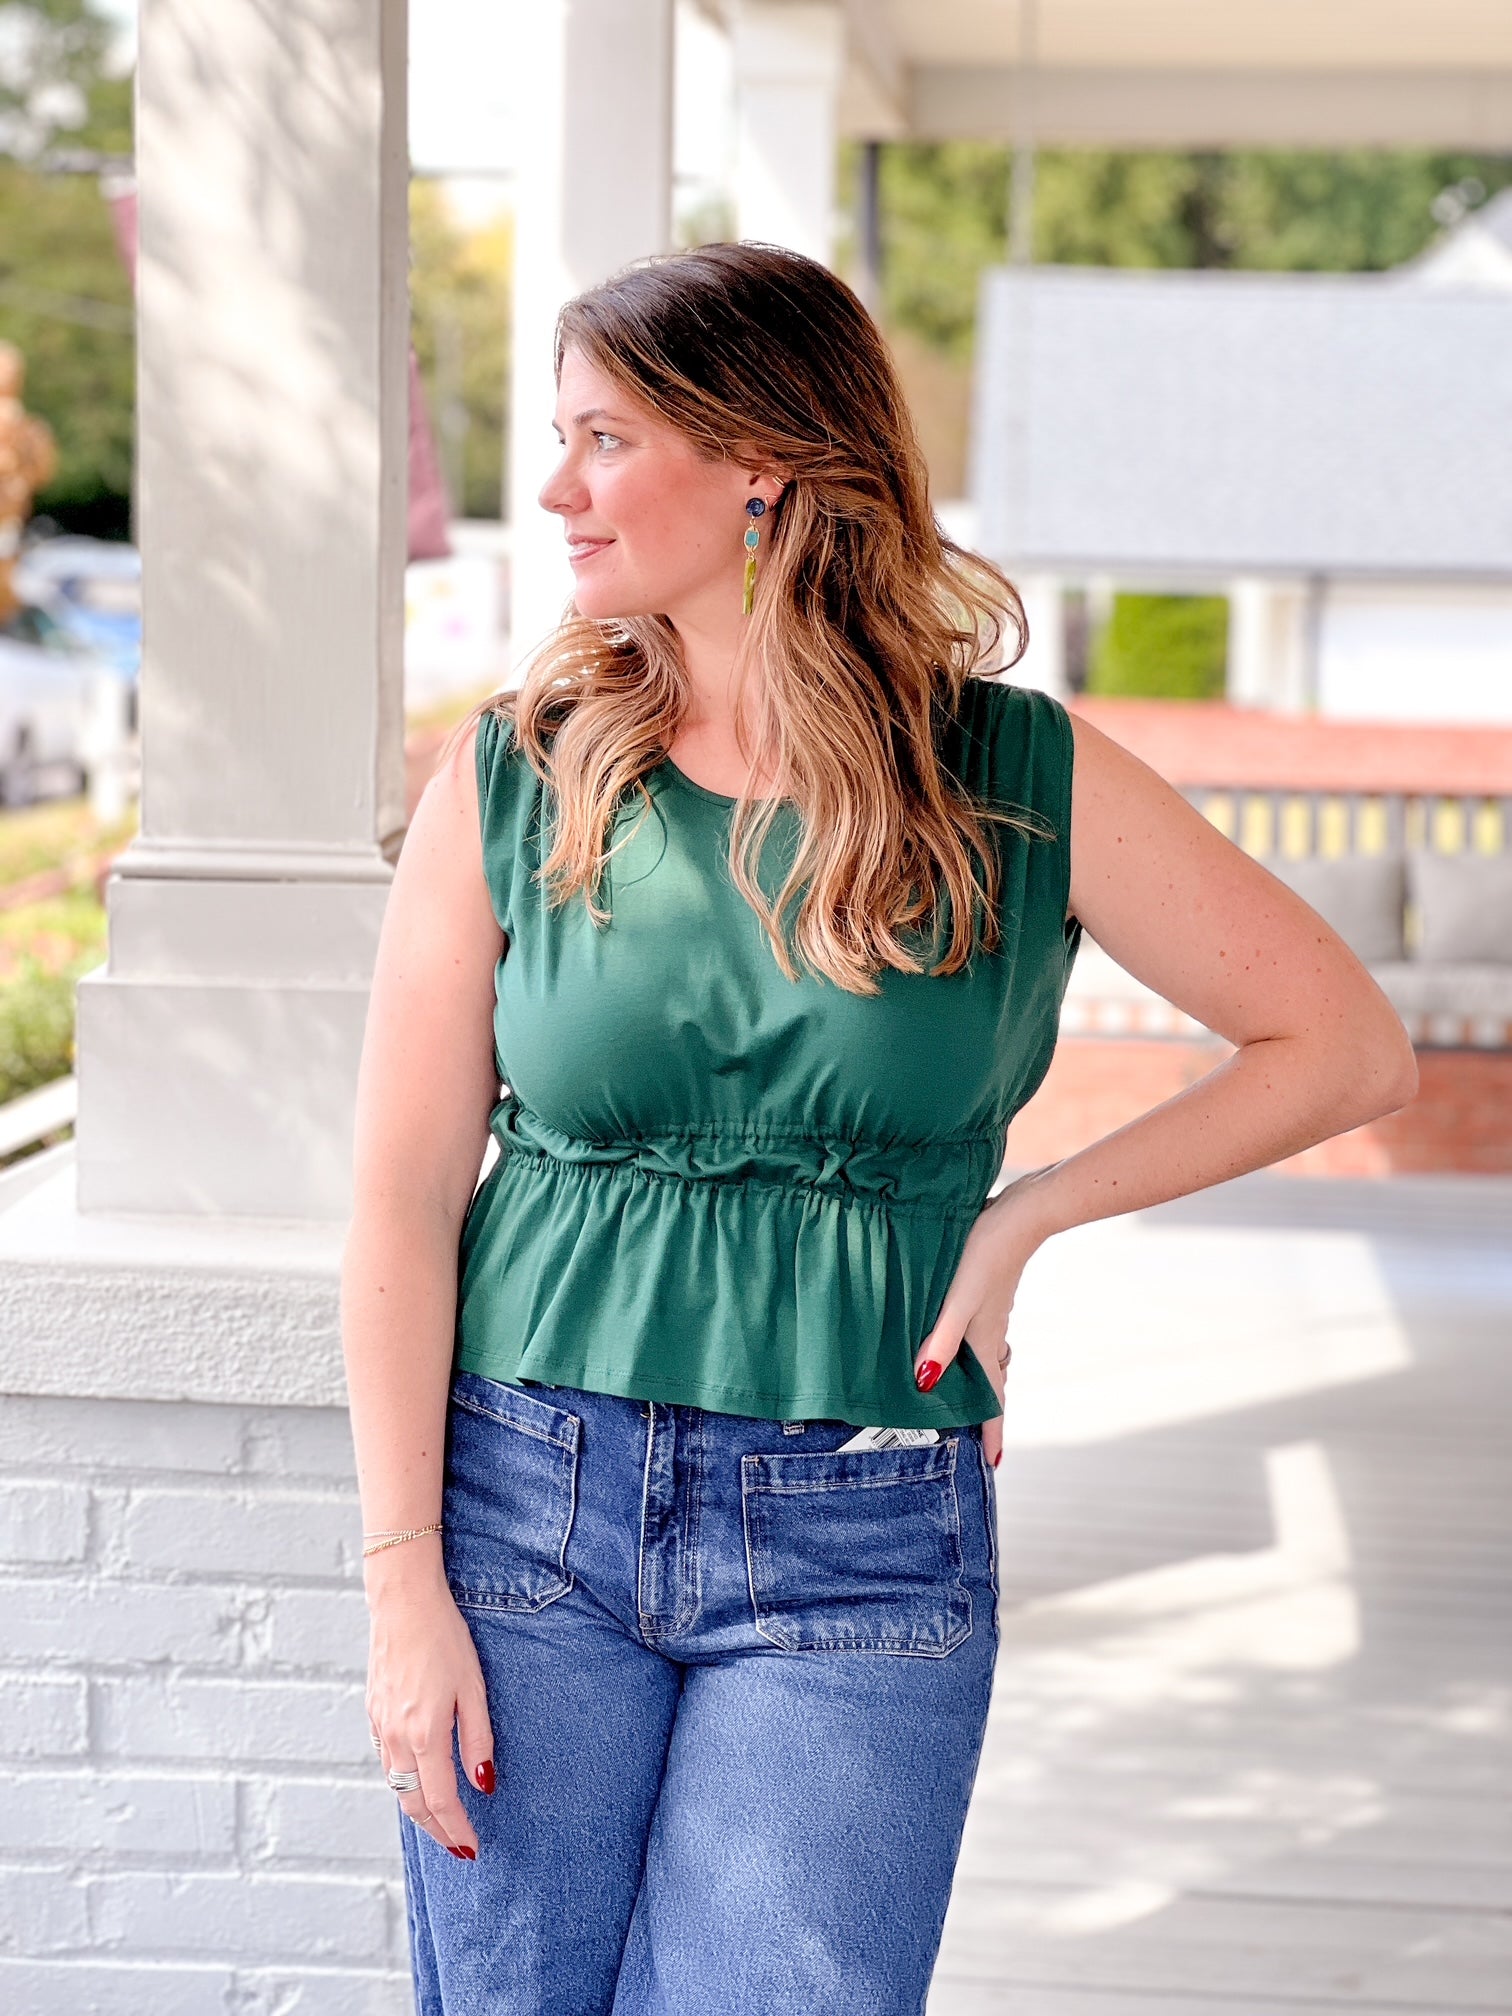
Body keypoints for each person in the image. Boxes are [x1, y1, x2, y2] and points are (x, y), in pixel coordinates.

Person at [341, 242, 1418, 2015]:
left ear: (759, 454)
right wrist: (400, 1587)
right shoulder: (517, 772)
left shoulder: (1011, 776)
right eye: (559, 438)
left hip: (860, 1514)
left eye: (604, 438)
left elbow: (1344, 1042)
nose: (557, 489)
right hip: (522, 1497)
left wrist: (1032, 1214)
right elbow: (397, 1196)